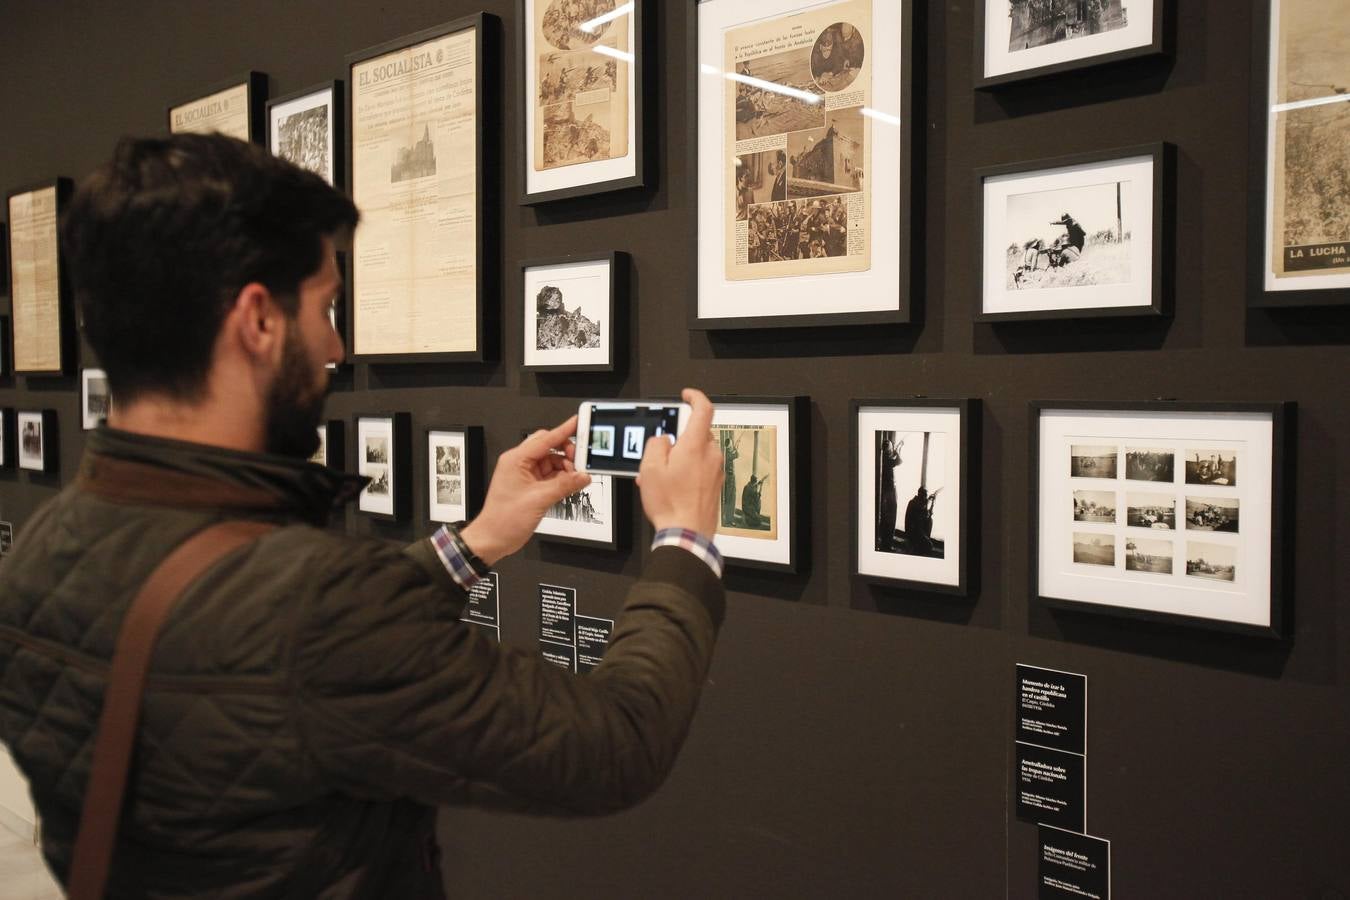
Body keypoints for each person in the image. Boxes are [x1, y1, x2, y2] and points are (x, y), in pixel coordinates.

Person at [0, 133, 727, 898]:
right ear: (258, 321)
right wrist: (685, 539)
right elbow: (614, 745)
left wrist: (476, 542)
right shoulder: (313, 607)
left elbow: (256, 646)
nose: (337, 347)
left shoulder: (48, 546)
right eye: (325, 307)